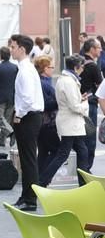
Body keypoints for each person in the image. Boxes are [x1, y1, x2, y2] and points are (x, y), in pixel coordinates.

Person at [39, 55, 90, 187]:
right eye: (82, 66)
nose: (83, 69)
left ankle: (83, 183)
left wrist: (80, 99)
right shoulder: (68, 81)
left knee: (81, 151)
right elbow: (74, 106)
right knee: (63, 154)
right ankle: (42, 181)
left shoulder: (66, 79)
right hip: (70, 123)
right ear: (76, 67)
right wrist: (85, 104)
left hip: (70, 123)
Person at [10, 34, 44, 211]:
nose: (11, 50)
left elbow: (28, 99)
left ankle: (30, 199)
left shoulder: (25, 70)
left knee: (28, 159)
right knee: (26, 158)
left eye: (13, 46)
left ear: (22, 49)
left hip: (28, 117)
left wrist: (19, 115)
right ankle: (26, 195)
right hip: (29, 116)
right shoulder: (25, 68)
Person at [79, 38, 103, 172]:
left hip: (79, 103)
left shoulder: (79, 62)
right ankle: (87, 168)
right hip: (91, 105)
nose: (101, 50)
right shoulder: (93, 66)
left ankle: (81, 167)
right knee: (90, 138)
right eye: (98, 47)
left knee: (81, 137)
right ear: (92, 49)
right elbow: (101, 88)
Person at [0, 46, 18, 148]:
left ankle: (11, 132)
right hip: (11, 96)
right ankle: (2, 141)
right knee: (6, 119)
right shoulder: (15, 67)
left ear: (1, 56)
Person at [35, 55, 59, 176]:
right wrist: (60, 100)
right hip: (47, 123)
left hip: (43, 123)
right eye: (51, 67)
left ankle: (39, 177)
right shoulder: (43, 83)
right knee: (57, 151)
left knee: (43, 152)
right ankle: (44, 177)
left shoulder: (43, 82)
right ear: (44, 68)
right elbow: (45, 104)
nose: (53, 69)